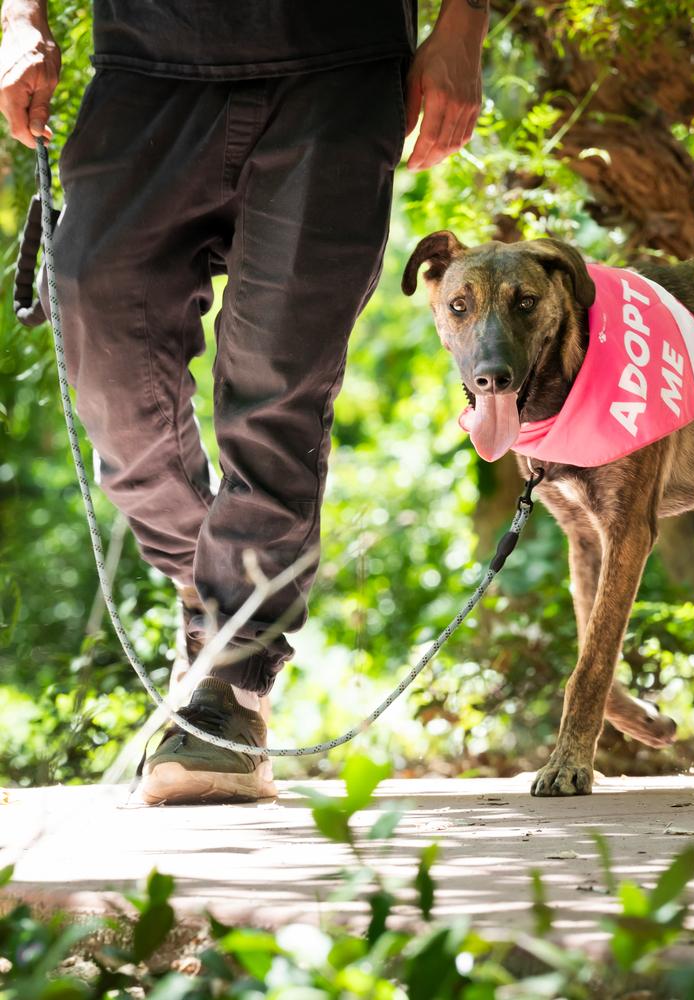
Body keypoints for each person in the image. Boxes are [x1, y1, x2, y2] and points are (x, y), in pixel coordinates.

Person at [0, 0, 488, 804]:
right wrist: (21, 17)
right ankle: (210, 592)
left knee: (277, 383)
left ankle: (231, 683)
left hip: (338, 62)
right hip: (146, 65)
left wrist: (462, 28)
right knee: (95, 313)